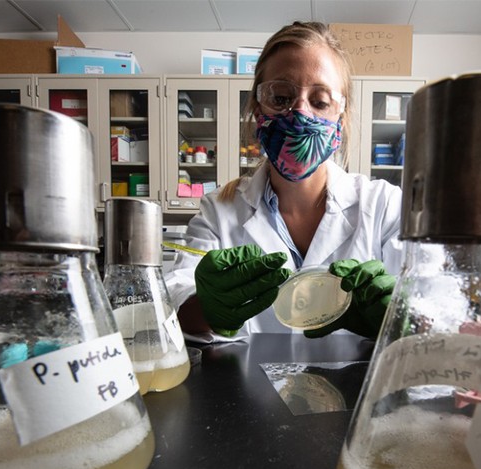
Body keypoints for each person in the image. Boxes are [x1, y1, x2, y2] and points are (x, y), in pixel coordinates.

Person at [166, 21, 402, 341]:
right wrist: (208, 307)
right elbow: (173, 304)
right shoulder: (218, 210)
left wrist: (395, 317)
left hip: (357, 389)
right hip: (245, 390)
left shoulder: (385, 205)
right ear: (256, 108)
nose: (299, 113)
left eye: (319, 101)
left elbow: (431, 307)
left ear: (341, 118)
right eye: (280, 97)